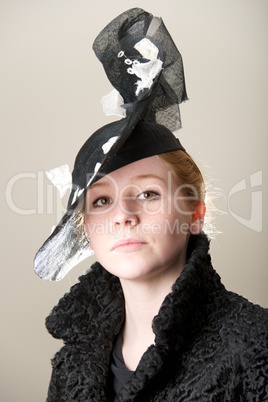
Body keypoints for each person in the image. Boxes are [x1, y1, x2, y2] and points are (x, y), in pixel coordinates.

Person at [34, 8, 268, 401]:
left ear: (195, 213)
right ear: (86, 229)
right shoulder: (71, 361)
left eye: (148, 194)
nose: (124, 216)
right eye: (102, 200)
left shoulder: (255, 345)